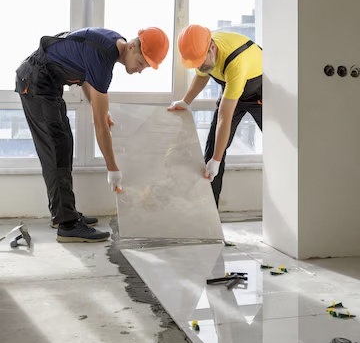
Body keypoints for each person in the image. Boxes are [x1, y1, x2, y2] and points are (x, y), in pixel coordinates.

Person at [15, 27, 169, 242]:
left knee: (63, 145)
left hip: (45, 84)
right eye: (141, 63)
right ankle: (67, 225)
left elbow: (88, 78)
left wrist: (100, 111)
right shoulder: (104, 57)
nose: (141, 70)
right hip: (35, 82)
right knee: (57, 149)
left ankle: (62, 215)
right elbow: (99, 124)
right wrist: (112, 167)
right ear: (132, 46)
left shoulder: (113, 44)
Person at [168, 24, 262, 207]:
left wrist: (217, 160)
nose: (199, 66)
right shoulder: (200, 51)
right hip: (232, 90)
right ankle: (208, 215)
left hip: (261, 94)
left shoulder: (236, 61)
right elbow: (202, 76)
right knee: (211, 154)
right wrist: (186, 101)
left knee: (282, 146)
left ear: (212, 48)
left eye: (201, 61)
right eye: (195, 64)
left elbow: (224, 117)